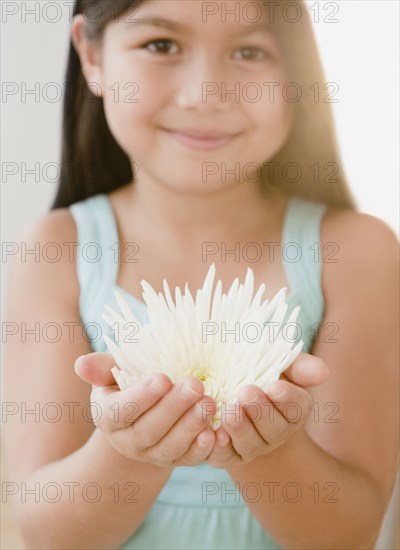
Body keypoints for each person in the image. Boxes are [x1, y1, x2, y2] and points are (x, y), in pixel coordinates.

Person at [4, 0, 399, 548]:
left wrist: (270, 446)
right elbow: (45, 533)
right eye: (161, 45)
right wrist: (128, 449)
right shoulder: (54, 252)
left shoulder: (357, 252)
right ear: (92, 56)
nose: (206, 94)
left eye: (249, 51)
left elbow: (351, 531)